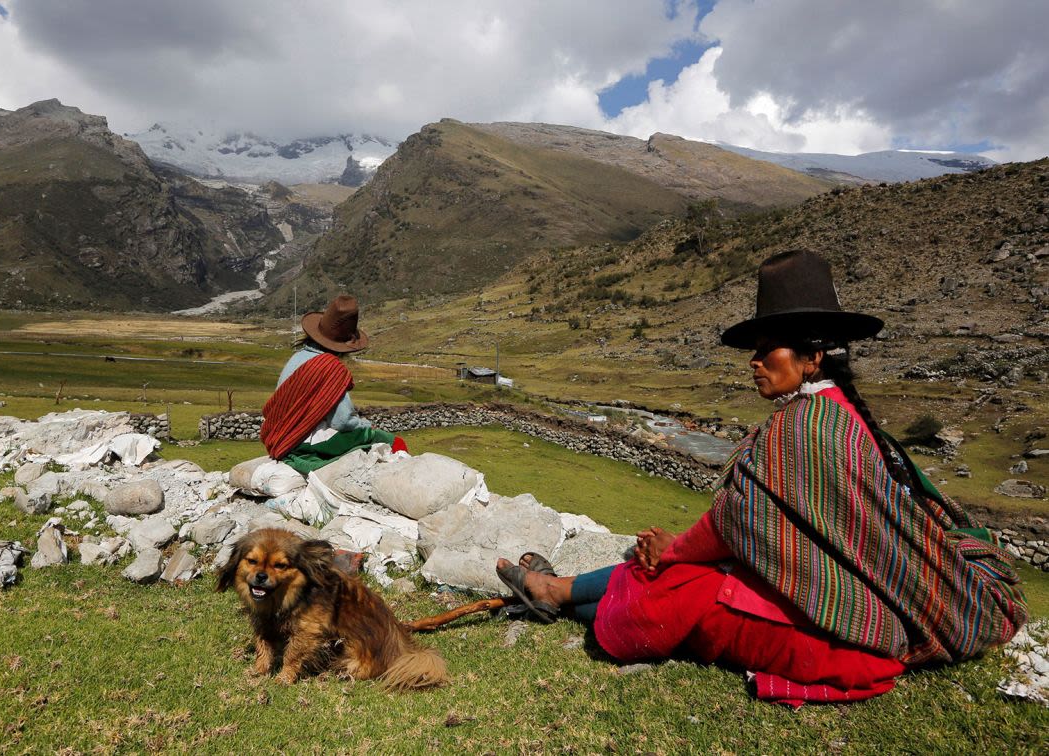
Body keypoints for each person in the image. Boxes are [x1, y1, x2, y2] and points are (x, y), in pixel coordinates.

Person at [497, 249, 1027, 706]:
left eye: (766, 347)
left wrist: (675, 549)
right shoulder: (838, 414)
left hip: (872, 616)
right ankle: (558, 592)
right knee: (678, 572)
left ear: (812, 356)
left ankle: (557, 593)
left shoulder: (803, 428)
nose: (753, 362)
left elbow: (738, 523)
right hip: (878, 594)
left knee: (680, 582)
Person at [260, 294, 406, 474]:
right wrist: (367, 426)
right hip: (302, 442)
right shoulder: (331, 368)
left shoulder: (297, 357)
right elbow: (342, 421)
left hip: (277, 436)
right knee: (394, 442)